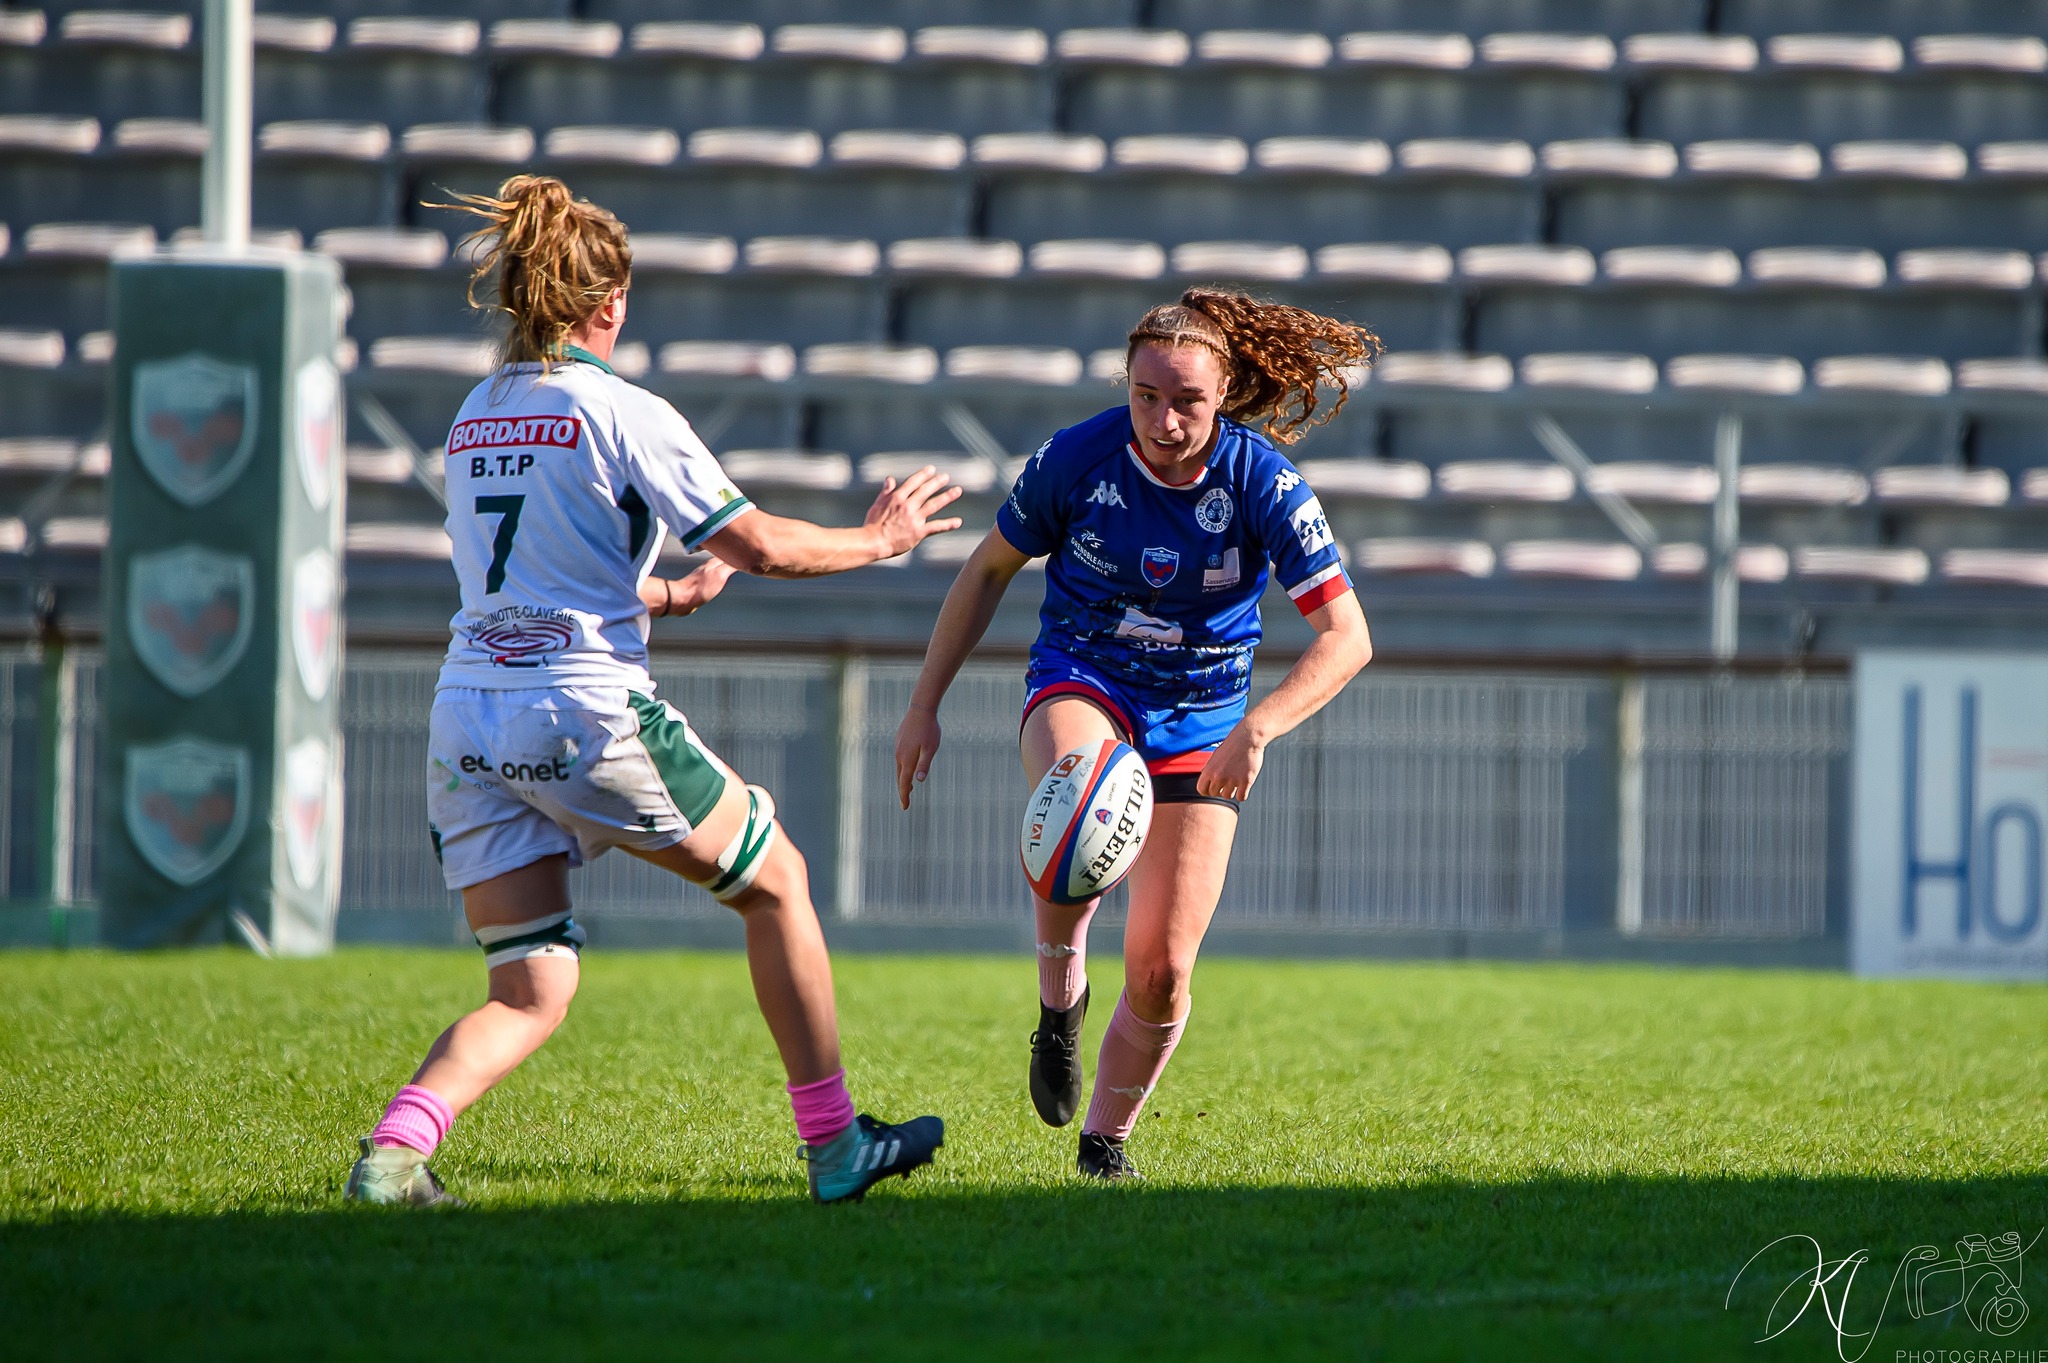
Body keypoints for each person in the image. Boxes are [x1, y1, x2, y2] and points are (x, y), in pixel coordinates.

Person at [346, 175, 963, 1207]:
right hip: (580, 705)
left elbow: (524, 568)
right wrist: (880, 539)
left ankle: (394, 1155)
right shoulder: (622, 410)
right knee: (778, 883)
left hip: (467, 712)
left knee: (531, 980)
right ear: (610, 304)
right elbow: (758, 542)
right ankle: (834, 1145)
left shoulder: (474, 415)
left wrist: (663, 597)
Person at [893, 288, 1378, 1179]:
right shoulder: (1078, 458)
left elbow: (1349, 636)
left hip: (1205, 714)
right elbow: (989, 567)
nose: (1163, 418)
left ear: (1224, 393)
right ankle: (1058, 1001)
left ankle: (1104, 1142)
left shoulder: (1263, 482)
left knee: (1160, 973)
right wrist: (925, 702)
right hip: (1085, 674)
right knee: (1081, 789)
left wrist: (1259, 728)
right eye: (1145, 395)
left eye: (1187, 400)